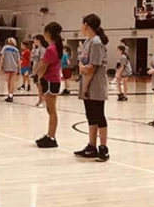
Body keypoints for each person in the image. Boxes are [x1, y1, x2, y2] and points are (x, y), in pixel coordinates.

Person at [73, 15, 110, 161]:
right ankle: (91, 146)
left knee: (99, 115)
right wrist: (82, 68)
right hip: (87, 83)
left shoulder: (96, 43)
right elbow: (83, 65)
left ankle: (103, 148)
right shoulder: (88, 41)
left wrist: (86, 86)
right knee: (90, 116)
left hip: (95, 85)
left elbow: (91, 68)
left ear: (86, 25)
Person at [34, 22, 65, 149]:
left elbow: (43, 67)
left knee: (51, 110)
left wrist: (38, 78)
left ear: (47, 33)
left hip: (50, 81)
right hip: (53, 80)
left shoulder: (50, 49)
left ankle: (51, 137)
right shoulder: (55, 48)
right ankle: (49, 135)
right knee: (50, 110)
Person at [1, 38, 20, 103]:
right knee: (12, 82)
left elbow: (2, 57)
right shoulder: (16, 50)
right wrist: (19, 69)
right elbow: (18, 60)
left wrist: (1, 66)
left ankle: (9, 95)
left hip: (7, 66)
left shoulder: (5, 48)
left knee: (8, 82)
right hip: (14, 67)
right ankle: (11, 95)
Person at [31, 35, 47, 108]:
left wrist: (36, 69)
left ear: (39, 40)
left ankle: (43, 101)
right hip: (35, 69)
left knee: (41, 86)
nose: (34, 41)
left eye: (35, 39)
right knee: (38, 86)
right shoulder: (36, 49)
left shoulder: (43, 49)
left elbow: (42, 60)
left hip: (40, 70)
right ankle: (40, 99)